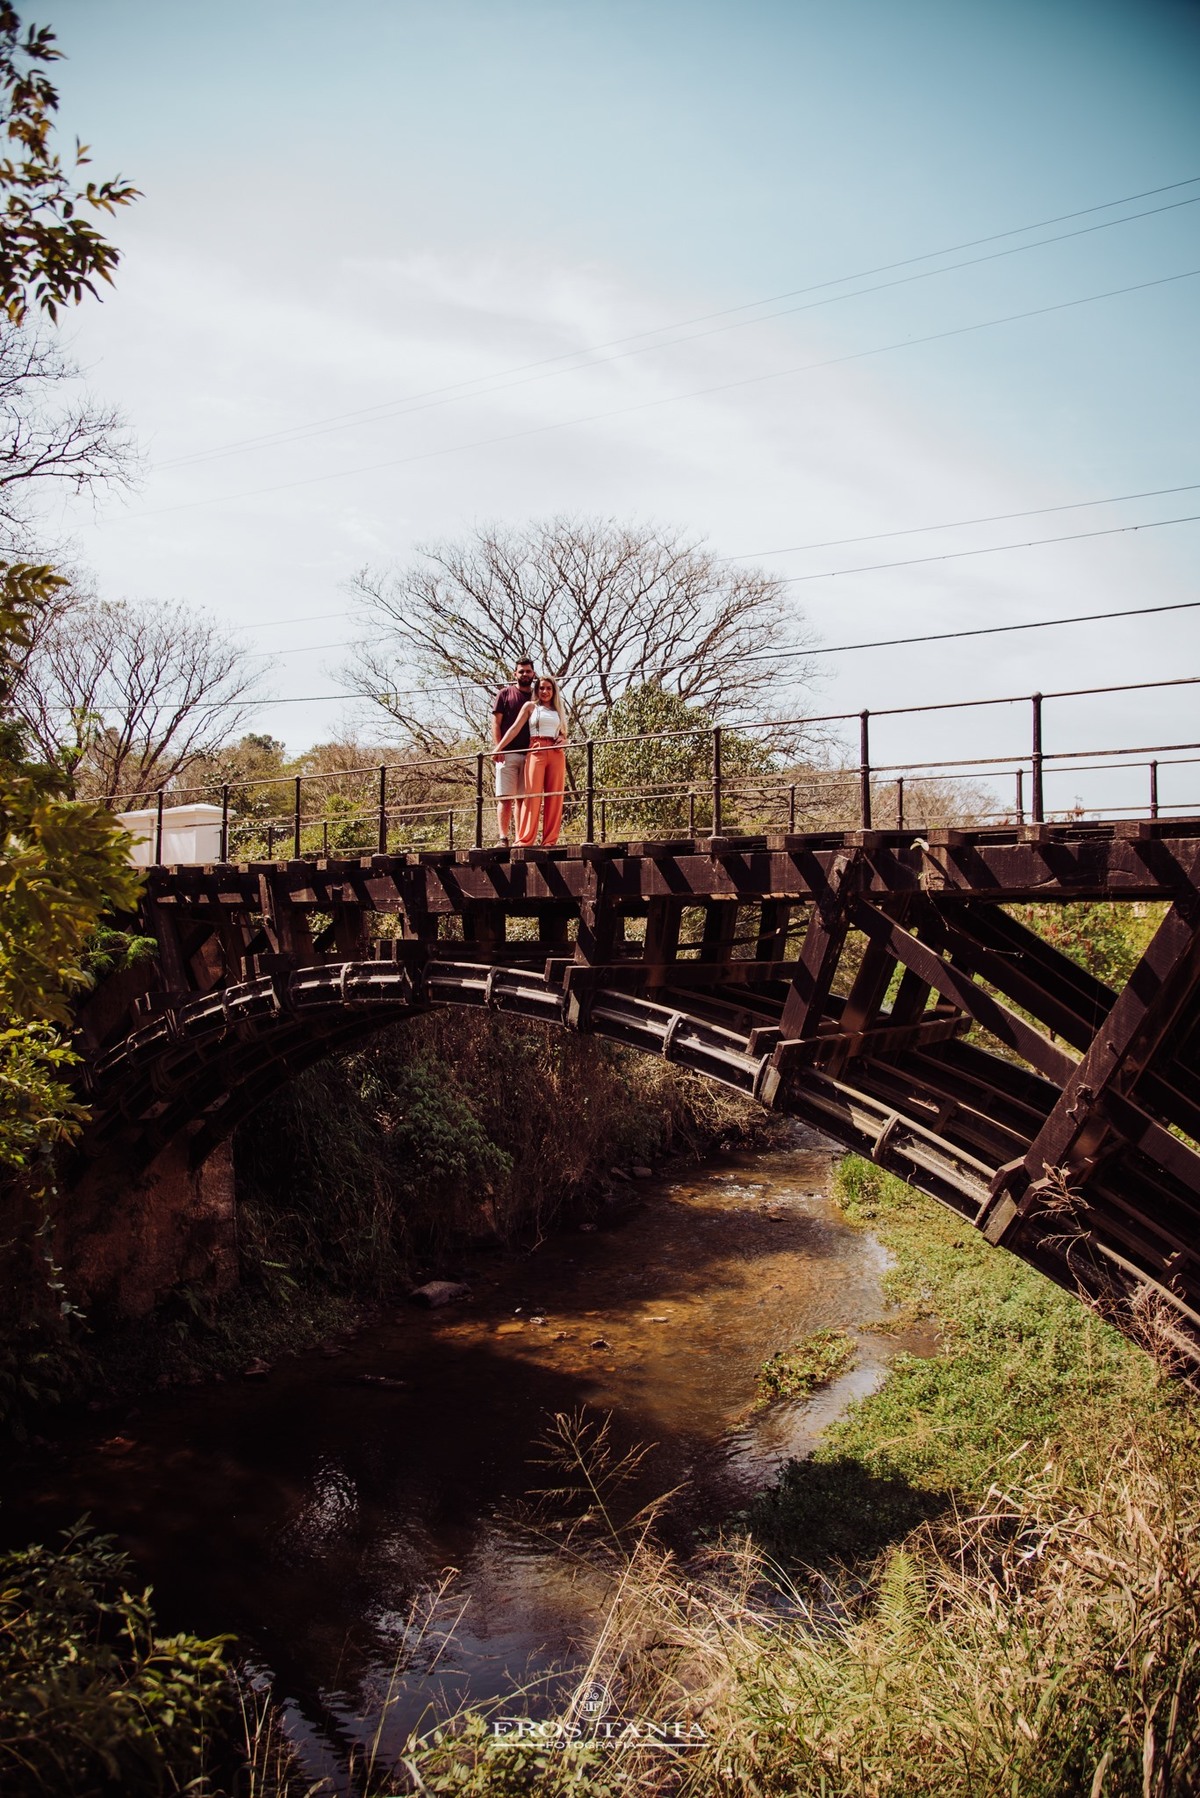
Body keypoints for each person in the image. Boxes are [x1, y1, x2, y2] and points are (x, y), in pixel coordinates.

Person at [494, 675, 568, 847]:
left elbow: (563, 733)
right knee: (532, 795)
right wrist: (498, 748)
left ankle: (550, 841)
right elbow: (514, 728)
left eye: (548, 688)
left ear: (554, 691)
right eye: (541, 688)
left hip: (556, 752)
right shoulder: (530, 707)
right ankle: (525, 840)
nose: (545, 691)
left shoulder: (558, 709)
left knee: (555, 796)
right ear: (536, 690)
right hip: (536, 749)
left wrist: (565, 741)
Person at [491, 657, 536, 846]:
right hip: (507, 753)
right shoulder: (505, 694)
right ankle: (503, 838)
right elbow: (496, 723)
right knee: (505, 797)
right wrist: (499, 748)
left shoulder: (538, 695)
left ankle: (520, 838)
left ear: (533, 674)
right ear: (515, 674)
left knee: (523, 799)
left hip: (531, 755)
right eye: (521, 671)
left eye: (528, 671)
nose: (525, 674)